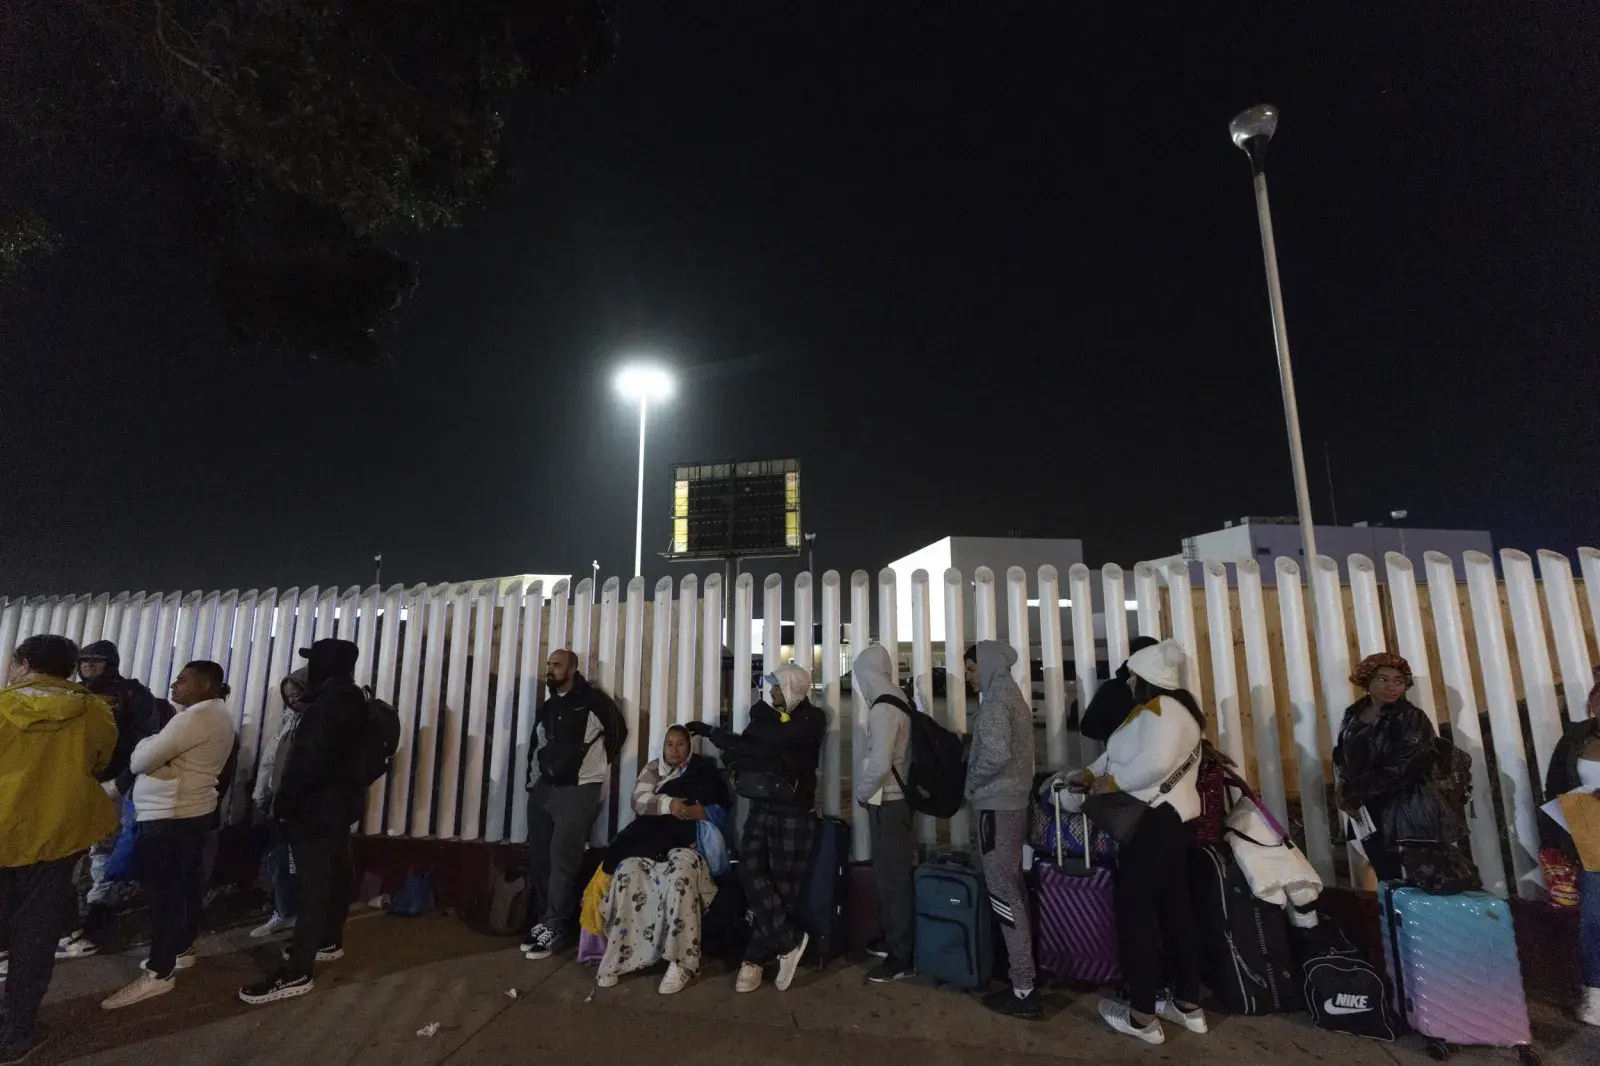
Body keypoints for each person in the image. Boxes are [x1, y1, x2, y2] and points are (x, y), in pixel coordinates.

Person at [1079, 639, 1207, 1045]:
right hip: (1177, 822)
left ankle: (1142, 1016)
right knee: (1177, 912)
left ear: (1146, 678)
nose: (1129, 682)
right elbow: (1126, 752)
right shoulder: (1178, 709)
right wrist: (1090, 772)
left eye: (1133, 675)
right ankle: (1188, 1005)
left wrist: (1111, 782)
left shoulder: (1160, 709)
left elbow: (1154, 762)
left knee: (1137, 916)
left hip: (1153, 823)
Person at [0, 635, 119, 1063]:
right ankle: (15, 1033)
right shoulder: (94, 711)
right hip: (57, 837)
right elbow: (101, 761)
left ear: (23, 663)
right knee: (35, 936)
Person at [101, 661, 237, 1010]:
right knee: (185, 886)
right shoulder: (217, 714)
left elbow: (140, 761)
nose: (174, 685)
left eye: (182, 680)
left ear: (205, 685)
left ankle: (159, 973)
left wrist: (146, 744)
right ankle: (181, 948)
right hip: (190, 813)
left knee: (164, 896)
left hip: (170, 817)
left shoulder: (193, 719)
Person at [239, 639, 367, 1006]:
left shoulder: (324, 707)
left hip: (313, 811)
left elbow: (306, 765)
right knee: (336, 876)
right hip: (340, 807)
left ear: (327, 663)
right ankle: (328, 941)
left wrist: (283, 805)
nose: (309, 669)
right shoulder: (354, 699)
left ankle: (297, 972)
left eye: (315, 660)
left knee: (313, 888)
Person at [687, 662, 825, 994]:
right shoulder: (768, 719)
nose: (771, 692)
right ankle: (788, 941)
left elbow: (770, 742)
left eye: (777, 686)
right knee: (749, 869)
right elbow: (748, 747)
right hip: (762, 805)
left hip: (793, 811)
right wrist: (712, 733)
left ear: (792, 687)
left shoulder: (811, 719)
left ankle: (754, 958)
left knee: (782, 886)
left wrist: (757, 740)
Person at [590, 724, 731, 994]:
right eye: (669, 744)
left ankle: (682, 962)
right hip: (650, 843)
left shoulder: (704, 771)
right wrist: (670, 805)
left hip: (688, 843)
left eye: (680, 744)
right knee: (628, 872)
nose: (674, 750)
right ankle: (622, 955)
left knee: (681, 876)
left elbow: (722, 809)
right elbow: (639, 801)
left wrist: (702, 813)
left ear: (689, 747)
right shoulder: (653, 769)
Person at [58, 640, 162, 958]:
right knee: (70, 853)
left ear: (111, 662)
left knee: (105, 849)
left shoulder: (132, 693)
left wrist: (123, 780)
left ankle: (98, 919)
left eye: (96, 659)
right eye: (84, 659)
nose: (88, 664)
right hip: (75, 783)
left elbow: (146, 739)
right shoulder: (72, 693)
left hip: (114, 784)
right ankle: (72, 921)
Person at [522, 649, 626, 961]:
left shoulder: (594, 701)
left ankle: (556, 926)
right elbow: (537, 743)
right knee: (541, 856)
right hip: (545, 790)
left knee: (563, 857)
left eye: (557, 665)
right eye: (549, 664)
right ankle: (545, 920)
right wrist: (534, 784)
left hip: (578, 790)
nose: (550, 669)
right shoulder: (551, 705)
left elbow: (617, 734)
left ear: (572, 669)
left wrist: (590, 772)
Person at [962, 640, 1039, 1018]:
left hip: (997, 806)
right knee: (1013, 889)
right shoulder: (1012, 694)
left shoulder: (995, 700)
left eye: (972, 669)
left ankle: (1023, 987)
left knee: (1003, 894)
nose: (969, 678)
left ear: (988, 665)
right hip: (1014, 804)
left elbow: (995, 754)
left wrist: (972, 782)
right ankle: (1022, 975)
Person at [1333, 652, 1451, 883]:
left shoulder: (1411, 717)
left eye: (1398, 681)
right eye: (1383, 679)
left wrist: (1360, 789)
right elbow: (1342, 753)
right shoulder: (1354, 713)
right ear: (1367, 680)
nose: (1392, 686)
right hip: (1366, 805)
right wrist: (1346, 789)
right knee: (1383, 869)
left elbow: (1408, 762)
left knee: (1417, 873)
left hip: (1403, 806)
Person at [850, 643, 915, 984]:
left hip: (888, 801)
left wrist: (861, 794)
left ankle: (901, 956)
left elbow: (879, 763)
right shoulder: (899, 698)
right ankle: (893, 940)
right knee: (893, 877)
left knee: (893, 882)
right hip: (894, 799)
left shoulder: (882, 708)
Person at [1541, 682, 1600, 1027]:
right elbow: (1555, 785)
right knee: (1594, 918)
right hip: (1589, 834)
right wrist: (1557, 836)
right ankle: (1595, 991)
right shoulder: (1576, 737)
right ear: (1592, 700)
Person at [249, 669, 308, 939]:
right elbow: (270, 761)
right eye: (288, 696)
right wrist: (262, 794)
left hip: (300, 809)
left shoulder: (317, 722)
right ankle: (284, 912)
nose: (292, 700)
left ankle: (300, 919)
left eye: (297, 694)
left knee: (298, 865)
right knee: (280, 861)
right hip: (278, 804)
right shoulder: (289, 720)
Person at [1077, 635, 1159, 744]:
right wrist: (1121, 733)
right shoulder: (1112, 689)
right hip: (1125, 752)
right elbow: (1088, 727)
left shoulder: (1163, 689)